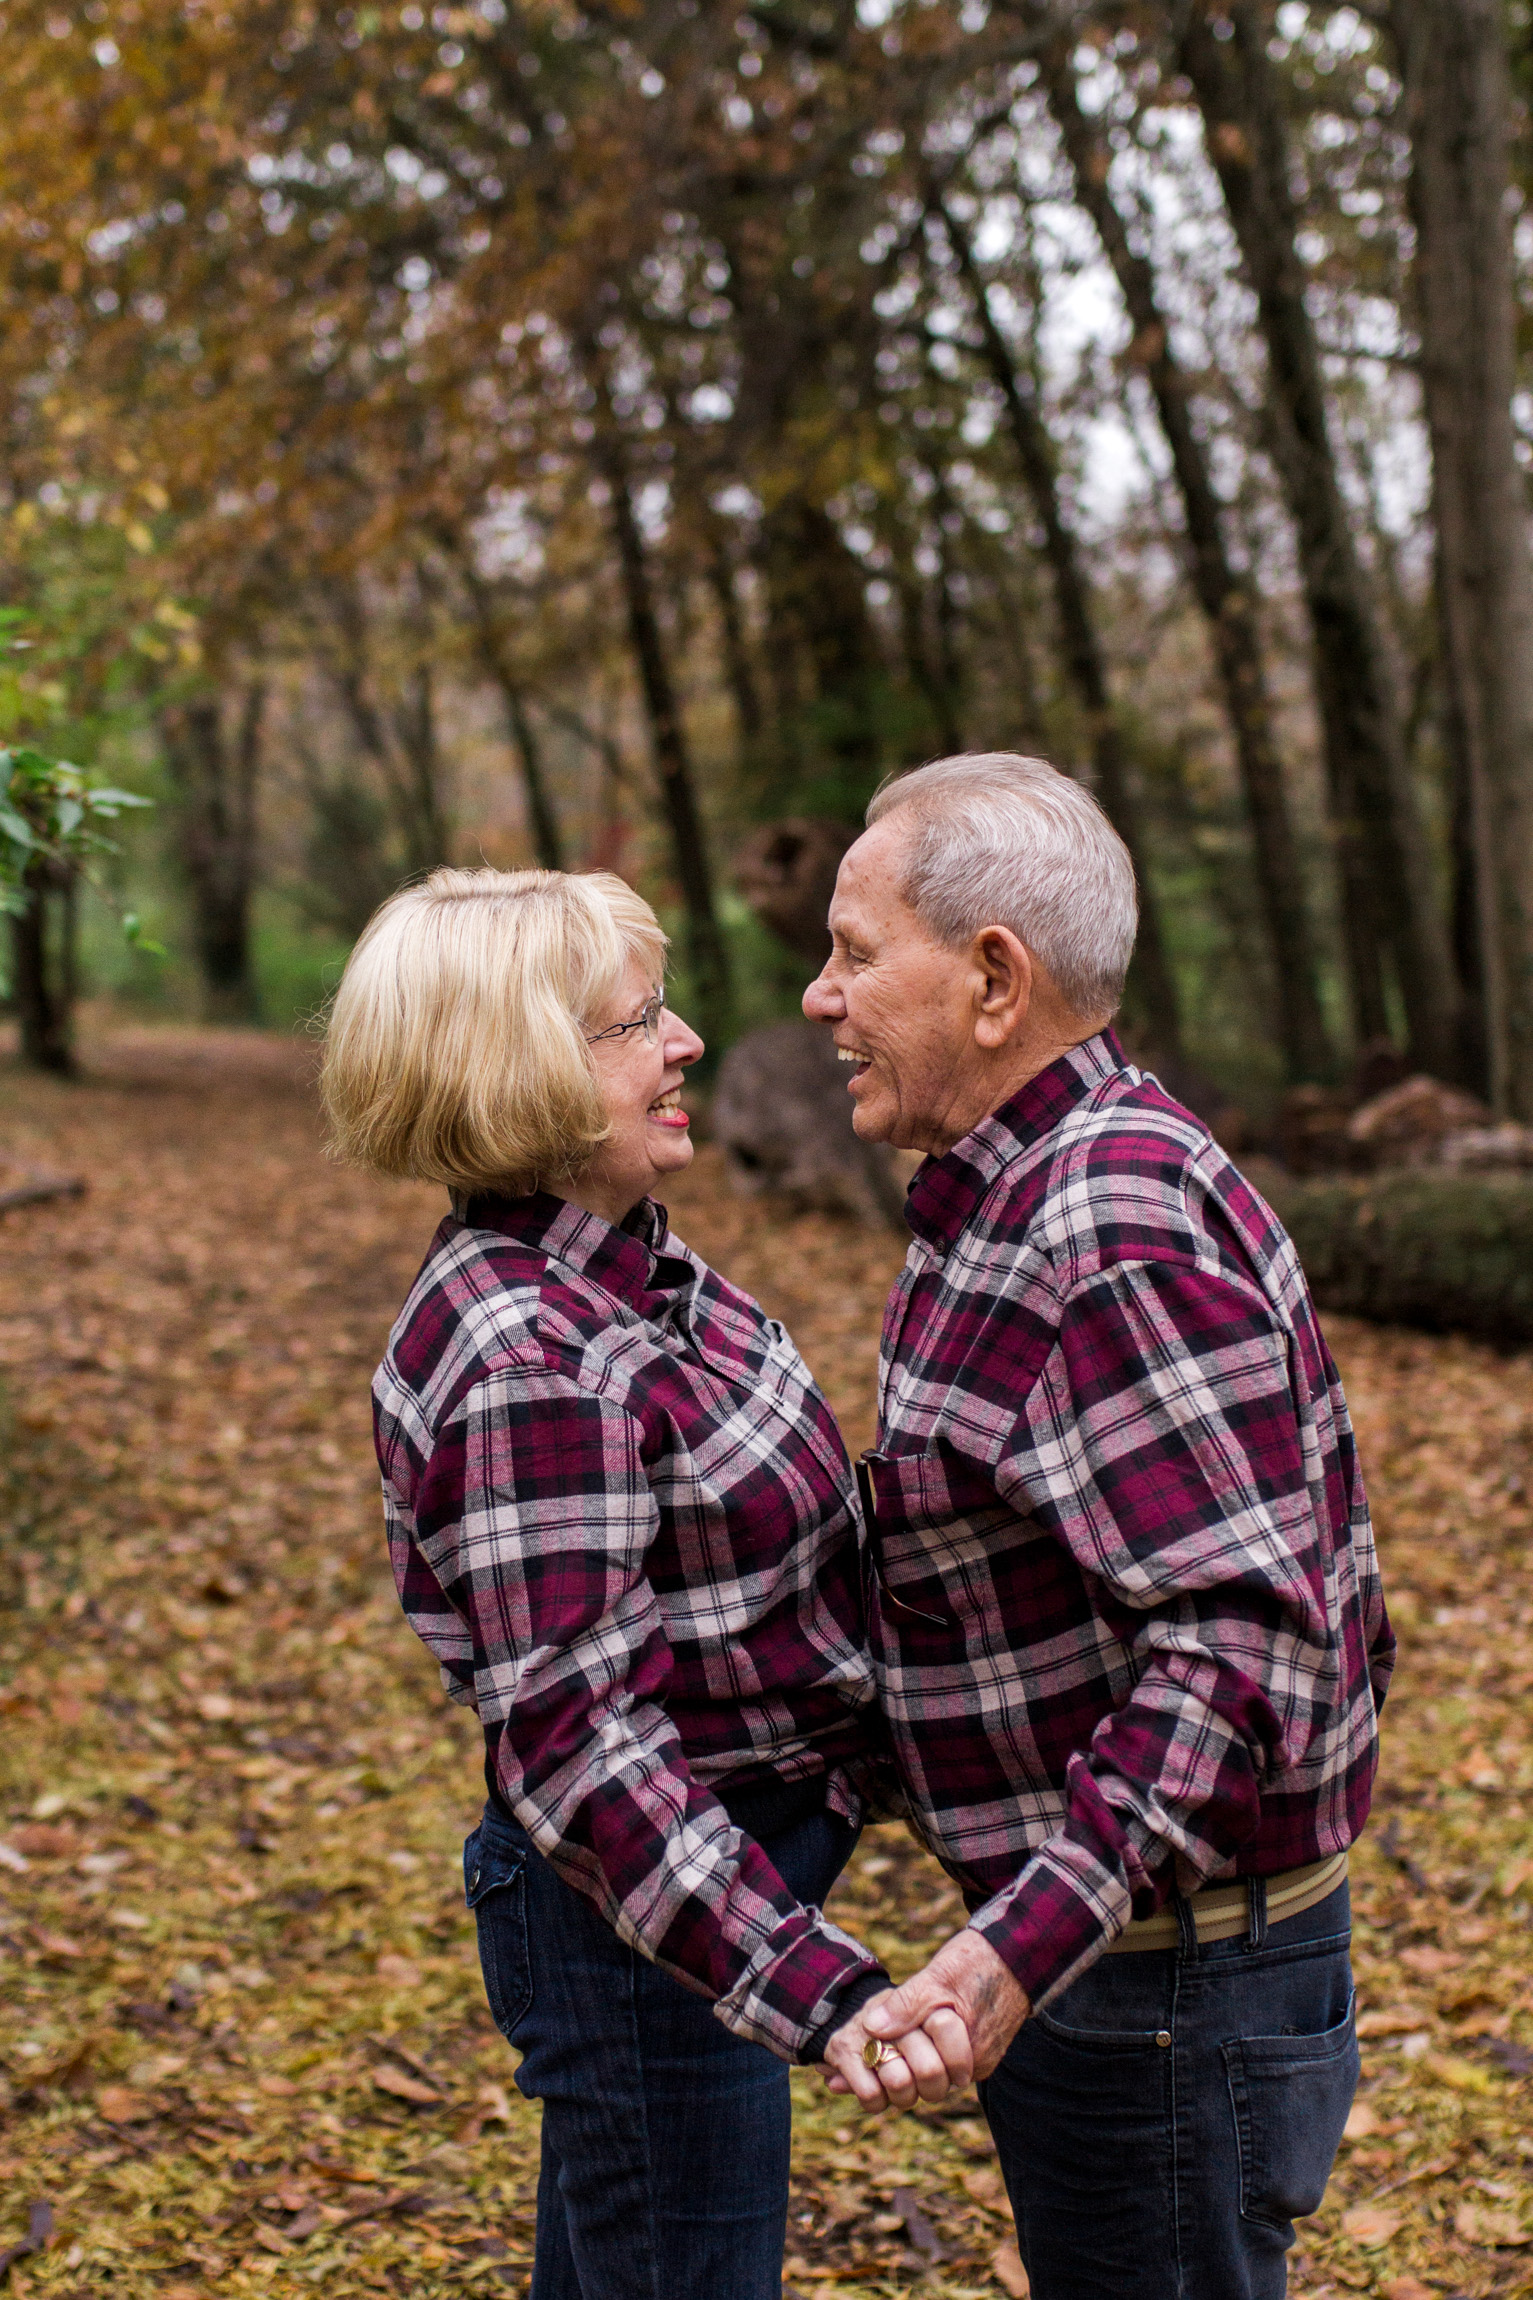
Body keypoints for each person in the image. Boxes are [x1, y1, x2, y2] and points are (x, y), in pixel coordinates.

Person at [802, 753, 1396, 2300]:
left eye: (856, 954)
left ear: (994, 979)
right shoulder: (1009, 1190)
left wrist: (1013, 1952)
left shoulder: (1104, 1224)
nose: (820, 997)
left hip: (1164, 1990)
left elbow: (1233, 1646)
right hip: (1119, 1962)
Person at [321, 866, 914, 2300]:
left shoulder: (628, 1267)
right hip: (644, 1932)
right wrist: (818, 1990)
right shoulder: (528, 1356)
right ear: (516, 1063)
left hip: (702, 1904)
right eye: (634, 1018)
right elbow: (581, 1747)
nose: (687, 1038)